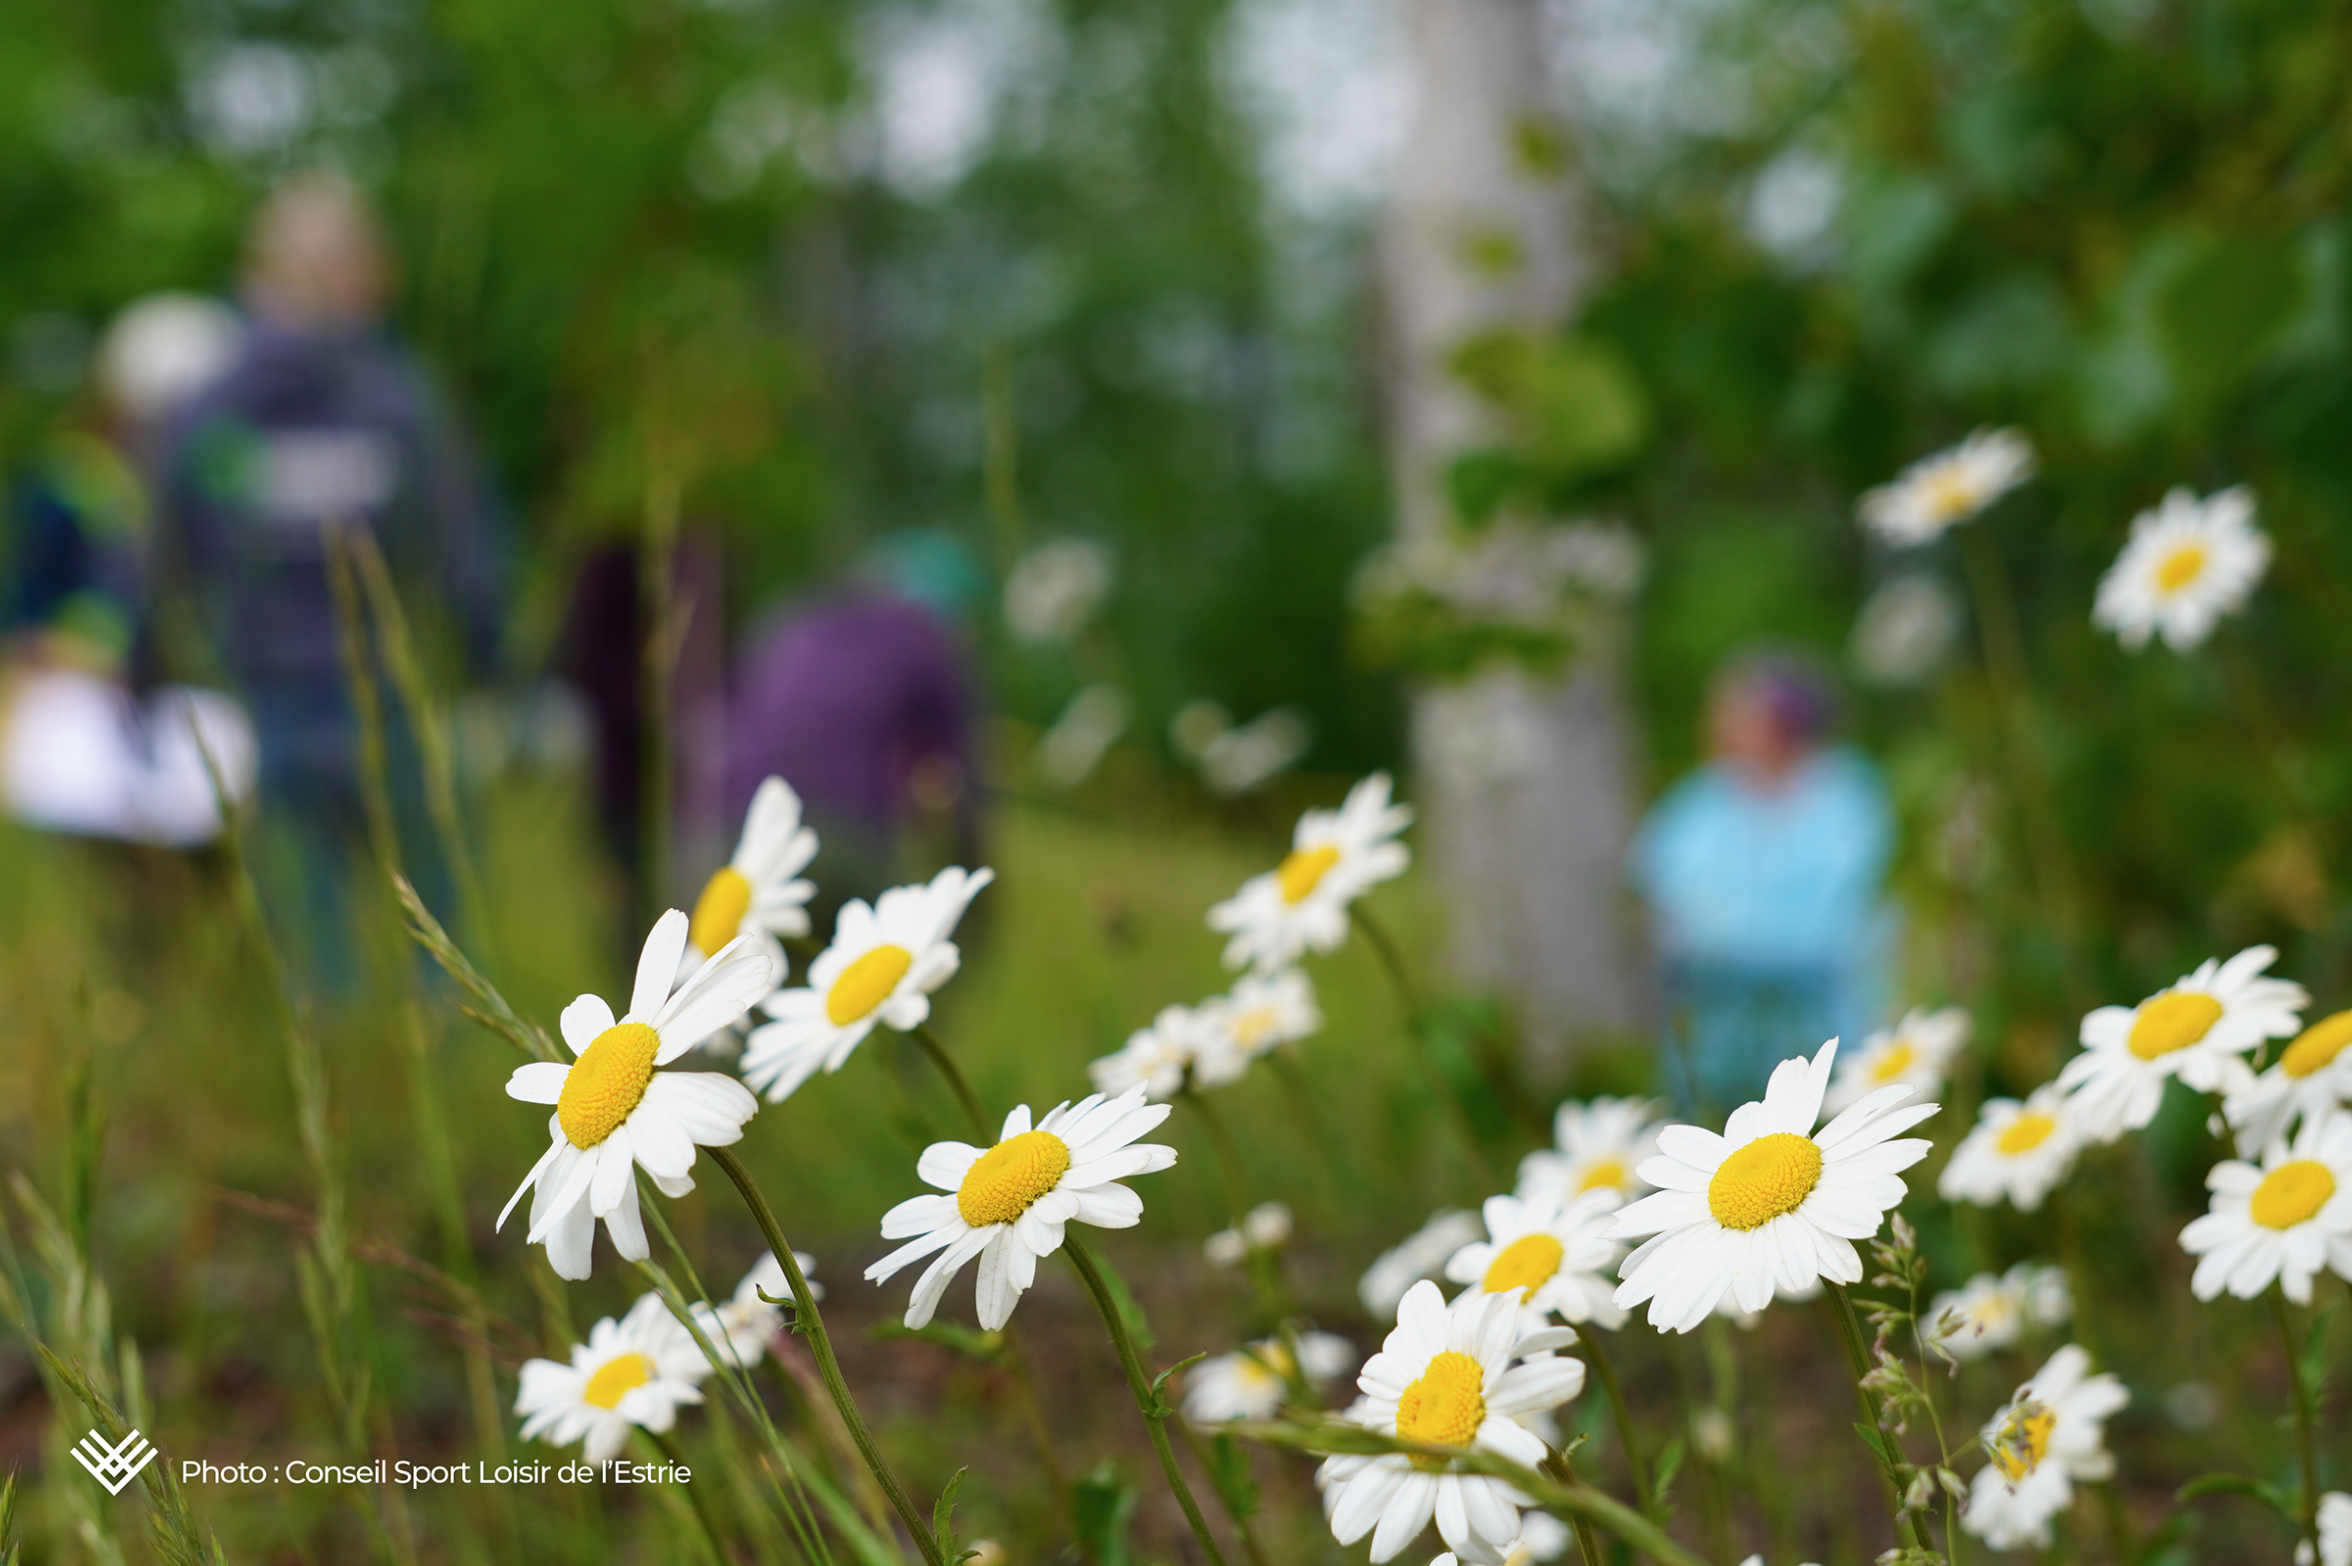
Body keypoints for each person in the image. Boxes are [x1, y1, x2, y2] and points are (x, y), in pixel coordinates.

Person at [155, 174, 502, 990]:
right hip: (399, 705)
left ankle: (345, 1097)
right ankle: (444, 1093)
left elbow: (164, 559)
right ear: (367, 274)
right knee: (444, 950)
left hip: (270, 710)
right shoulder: (405, 401)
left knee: (315, 954)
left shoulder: (209, 408)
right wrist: (490, 674)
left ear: (257, 274)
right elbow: (468, 558)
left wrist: (149, 674)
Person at [1629, 653, 1894, 1117]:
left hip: (1821, 1014)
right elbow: (1659, 889)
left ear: (1787, 722)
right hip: (1713, 1025)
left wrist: (1720, 939)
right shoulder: (1698, 803)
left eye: (1738, 713)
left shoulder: (1845, 794)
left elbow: (1833, 917)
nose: (1719, 726)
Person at [724, 530, 984, 926]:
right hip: (845, 842)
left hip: (725, 845)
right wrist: (976, 894)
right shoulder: (922, 642)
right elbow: (962, 780)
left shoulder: (792, 621)